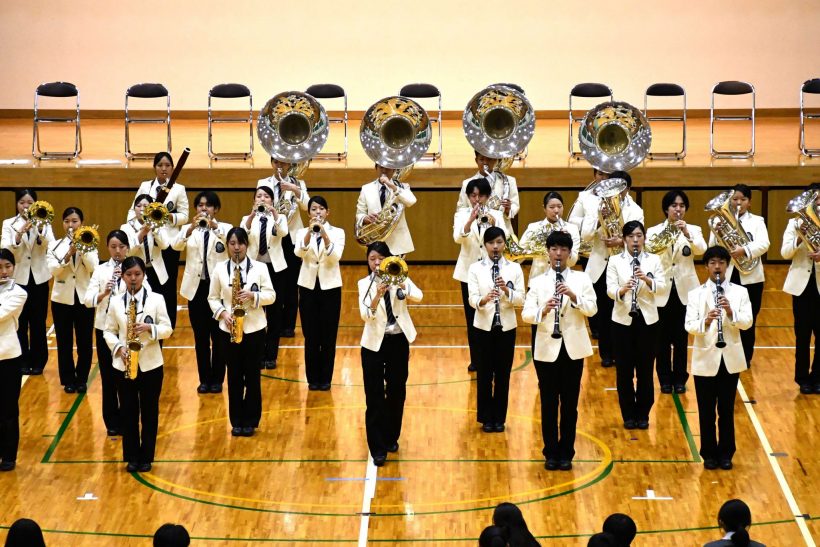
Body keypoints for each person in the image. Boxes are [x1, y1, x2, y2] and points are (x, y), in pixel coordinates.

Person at [522, 231, 596, 471]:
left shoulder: (581, 279)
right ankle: (550, 452)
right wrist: (543, 310)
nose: (558, 253)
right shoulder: (538, 282)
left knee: (570, 404)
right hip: (546, 349)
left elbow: (592, 310)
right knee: (548, 403)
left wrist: (573, 296)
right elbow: (526, 314)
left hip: (572, 349)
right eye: (554, 249)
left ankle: (567, 453)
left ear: (569, 253)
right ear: (548, 252)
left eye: (563, 249)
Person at [685, 246, 752, 470]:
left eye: (721, 263)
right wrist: (706, 320)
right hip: (705, 359)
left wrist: (731, 312)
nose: (717, 267)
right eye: (713, 263)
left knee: (726, 410)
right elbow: (689, 325)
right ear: (706, 266)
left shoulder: (740, 293)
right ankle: (709, 454)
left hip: (730, 359)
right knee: (706, 411)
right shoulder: (695, 294)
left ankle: (726, 453)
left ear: (727, 266)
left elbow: (747, 322)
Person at [104, 256, 172, 472]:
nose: (133, 278)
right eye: (129, 275)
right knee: (128, 411)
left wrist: (150, 329)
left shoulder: (157, 299)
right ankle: (132, 456)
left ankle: (146, 457)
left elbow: (167, 329)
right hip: (124, 363)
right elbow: (108, 331)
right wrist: (119, 348)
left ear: (144, 275)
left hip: (151, 365)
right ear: (123, 277)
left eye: (137, 274)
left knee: (150, 412)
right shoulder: (116, 302)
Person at [358, 241, 422, 466]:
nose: (376, 263)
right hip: (373, 344)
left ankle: (391, 436)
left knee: (397, 391)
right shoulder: (364, 284)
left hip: (398, 341)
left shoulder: (399, 275)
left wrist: (402, 283)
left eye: (380, 258)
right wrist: (377, 295)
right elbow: (365, 315)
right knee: (374, 396)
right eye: (372, 259)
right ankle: (377, 448)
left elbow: (419, 296)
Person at [208, 228, 275, 437]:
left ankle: (251, 420)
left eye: (240, 243)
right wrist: (223, 314)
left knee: (253, 376)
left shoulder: (260, 268)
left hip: (254, 329)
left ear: (247, 245)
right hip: (228, 329)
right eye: (232, 243)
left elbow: (271, 295)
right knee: (234, 376)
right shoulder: (219, 269)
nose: (236, 248)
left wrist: (254, 296)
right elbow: (213, 298)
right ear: (228, 246)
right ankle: (236, 420)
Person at [606, 220, 665, 430]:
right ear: (624, 240)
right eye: (631, 236)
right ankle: (628, 414)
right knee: (624, 371)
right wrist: (623, 289)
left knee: (645, 370)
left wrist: (647, 280)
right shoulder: (615, 261)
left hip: (648, 321)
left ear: (644, 238)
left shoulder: (654, 260)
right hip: (622, 321)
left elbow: (662, 287)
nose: (635, 240)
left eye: (639, 235)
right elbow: (610, 290)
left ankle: (643, 413)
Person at [582, 171, 644, 368]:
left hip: (623, 266)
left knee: (622, 311)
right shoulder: (596, 205)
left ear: (627, 189)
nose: (616, 191)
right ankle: (606, 354)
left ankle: (622, 353)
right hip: (601, 264)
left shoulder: (636, 210)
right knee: (603, 312)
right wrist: (598, 217)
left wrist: (621, 241)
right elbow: (585, 236)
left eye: (621, 187)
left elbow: (639, 240)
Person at [648, 190, 707, 394]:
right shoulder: (654, 231)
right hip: (662, 291)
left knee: (682, 340)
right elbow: (649, 252)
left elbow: (701, 249)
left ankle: (680, 379)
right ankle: (664, 379)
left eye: (681, 206)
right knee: (661, 341)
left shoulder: (694, 230)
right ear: (666, 209)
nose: (678, 209)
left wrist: (687, 233)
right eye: (674, 205)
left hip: (685, 291)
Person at [172, 190, 231, 394]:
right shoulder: (189, 229)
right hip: (196, 289)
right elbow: (175, 245)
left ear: (216, 209)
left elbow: (231, 245)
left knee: (219, 337)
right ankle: (204, 379)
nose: (203, 208)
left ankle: (217, 380)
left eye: (208, 205)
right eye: (200, 205)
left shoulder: (224, 228)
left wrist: (214, 227)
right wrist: (190, 229)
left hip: (218, 290)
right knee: (201, 338)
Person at [469, 227, 524, 433]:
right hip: (483, 326)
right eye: (491, 243)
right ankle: (486, 418)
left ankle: (499, 418)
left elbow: (521, 299)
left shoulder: (514, 268)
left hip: (506, 327)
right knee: (484, 374)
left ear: (504, 244)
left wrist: (506, 290)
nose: (495, 247)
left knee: (503, 374)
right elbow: (472, 298)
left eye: (499, 242)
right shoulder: (475, 268)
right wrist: (484, 299)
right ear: (485, 245)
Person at [708, 184, 769, 367]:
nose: (738, 202)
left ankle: (746, 357)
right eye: (734, 199)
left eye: (743, 199)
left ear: (749, 202)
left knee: (748, 317)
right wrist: (717, 233)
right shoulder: (718, 221)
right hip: (727, 275)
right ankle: (726, 354)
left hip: (751, 277)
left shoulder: (757, 221)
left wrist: (745, 250)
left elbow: (764, 244)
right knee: (724, 316)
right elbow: (712, 248)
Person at [130, 151, 189, 329]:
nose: (164, 169)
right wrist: (135, 227)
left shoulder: (179, 189)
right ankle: (147, 320)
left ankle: (168, 324)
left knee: (168, 284)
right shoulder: (145, 186)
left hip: (169, 243)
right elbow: (133, 210)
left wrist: (166, 215)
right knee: (149, 282)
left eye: (167, 165)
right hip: (148, 240)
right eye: (160, 165)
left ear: (173, 168)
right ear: (154, 167)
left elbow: (184, 216)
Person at [453, 177, 507, 373]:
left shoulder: (496, 214)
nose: (477, 199)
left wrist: (493, 224)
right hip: (468, 272)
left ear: (487, 196)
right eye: (473, 195)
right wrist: (469, 221)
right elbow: (457, 238)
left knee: (493, 313)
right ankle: (476, 359)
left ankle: (493, 358)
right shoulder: (461, 214)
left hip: (492, 270)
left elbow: (505, 239)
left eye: (481, 195)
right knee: (472, 317)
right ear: (468, 197)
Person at [83, 230, 132, 436]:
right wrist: (103, 293)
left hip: (127, 330)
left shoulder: (134, 269)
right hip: (104, 329)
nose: (117, 251)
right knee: (109, 377)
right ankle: (111, 421)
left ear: (127, 248)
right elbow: (87, 300)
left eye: (121, 246)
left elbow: (145, 294)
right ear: (108, 248)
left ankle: (129, 419)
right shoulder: (101, 270)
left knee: (128, 376)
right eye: (113, 247)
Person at [1, 189, 54, 375]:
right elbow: (5, 250)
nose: (26, 206)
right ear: (17, 204)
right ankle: (22, 360)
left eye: (30, 202)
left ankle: (39, 361)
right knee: (20, 322)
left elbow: (51, 245)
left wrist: (39, 229)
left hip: (39, 278)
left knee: (38, 321)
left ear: (36, 204)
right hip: (19, 278)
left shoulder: (45, 222)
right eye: (22, 202)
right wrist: (19, 234)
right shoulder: (9, 223)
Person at [294, 196, 344, 391]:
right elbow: (299, 253)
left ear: (327, 212)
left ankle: (326, 379)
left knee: (328, 336)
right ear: (309, 213)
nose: (318, 212)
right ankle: (313, 379)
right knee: (311, 335)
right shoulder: (301, 232)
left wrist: (324, 234)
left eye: (321, 209)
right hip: (307, 287)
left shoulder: (337, 232)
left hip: (330, 288)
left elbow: (335, 257)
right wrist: (309, 233)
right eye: (314, 209)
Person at [46, 207, 98, 393]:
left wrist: (82, 249)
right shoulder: (54, 245)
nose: (71, 225)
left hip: (84, 299)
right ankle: (68, 379)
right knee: (64, 342)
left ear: (81, 223)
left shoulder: (90, 243)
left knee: (84, 341)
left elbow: (93, 267)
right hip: (61, 300)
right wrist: (69, 253)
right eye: (67, 221)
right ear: (62, 223)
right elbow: (53, 270)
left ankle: (82, 378)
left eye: (75, 221)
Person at [257, 157, 310, 338]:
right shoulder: (263, 183)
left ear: (289, 164)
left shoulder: (298, 182)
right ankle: (271, 323)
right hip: (271, 236)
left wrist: (295, 189)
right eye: (277, 162)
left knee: (291, 283)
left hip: (291, 238)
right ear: (272, 163)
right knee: (272, 280)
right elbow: (259, 207)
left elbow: (307, 206)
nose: (280, 166)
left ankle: (288, 325)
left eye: (284, 163)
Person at [241, 186, 288, 370]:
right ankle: (258, 354)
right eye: (259, 196)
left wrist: (275, 213)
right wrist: (252, 215)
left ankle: (271, 355)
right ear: (254, 200)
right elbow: (242, 235)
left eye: (266, 196)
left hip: (275, 270)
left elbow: (283, 232)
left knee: (275, 314)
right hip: (255, 270)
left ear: (272, 200)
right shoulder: (247, 218)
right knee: (255, 311)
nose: (262, 199)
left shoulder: (279, 217)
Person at [781, 186, 820, 394]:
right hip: (802, 287)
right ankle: (803, 378)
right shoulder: (795, 223)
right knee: (802, 336)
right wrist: (799, 237)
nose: (818, 204)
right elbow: (785, 253)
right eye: (814, 200)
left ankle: (818, 377)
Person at [567, 168, 609, 339]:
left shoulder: (622, 197)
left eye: (608, 175)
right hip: (591, 251)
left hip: (613, 251)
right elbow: (572, 220)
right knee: (594, 289)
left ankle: (611, 329)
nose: (604, 178)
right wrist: (595, 220)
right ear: (594, 175)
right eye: (600, 174)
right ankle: (596, 327)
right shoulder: (585, 196)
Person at [121, 194, 170, 317]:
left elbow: (165, 245)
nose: (142, 208)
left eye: (146, 206)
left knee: (159, 308)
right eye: (138, 206)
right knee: (141, 308)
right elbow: (128, 252)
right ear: (134, 209)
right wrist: (143, 232)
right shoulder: (126, 228)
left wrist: (154, 229)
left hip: (157, 272)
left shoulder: (159, 223)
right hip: (137, 273)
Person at [0, 249, 27, 472]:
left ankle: (8, 455)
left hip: (8, 356)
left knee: (8, 408)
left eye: (8, 266)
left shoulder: (18, 293)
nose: (4, 272)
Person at [519, 191, 581, 283]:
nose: (556, 210)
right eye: (552, 207)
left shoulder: (572, 229)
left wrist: (567, 241)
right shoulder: (534, 227)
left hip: (563, 281)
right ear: (544, 208)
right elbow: (519, 254)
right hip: (537, 279)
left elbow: (573, 262)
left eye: (559, 206)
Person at [356, 163, 417, 256]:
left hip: (398, 243)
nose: (384, 171)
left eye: (388, 168)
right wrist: (365, 218)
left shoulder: (402, 187)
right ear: (376, 168)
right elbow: (360, 213)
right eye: (381, 167)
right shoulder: (366, 188)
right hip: (375, 241)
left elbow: (411, 201)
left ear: (394, 170)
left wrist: (392, 186)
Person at [458, 150, 520, 234]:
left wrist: (508, 210)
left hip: (502, 233)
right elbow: (461, 208)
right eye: (481, 159)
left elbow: (515, 205)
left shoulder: (509, 181)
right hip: (475, 234)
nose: (485, 163)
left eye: (489, 159)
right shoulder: (466, 183)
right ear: (476, 160)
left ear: (495, 160)